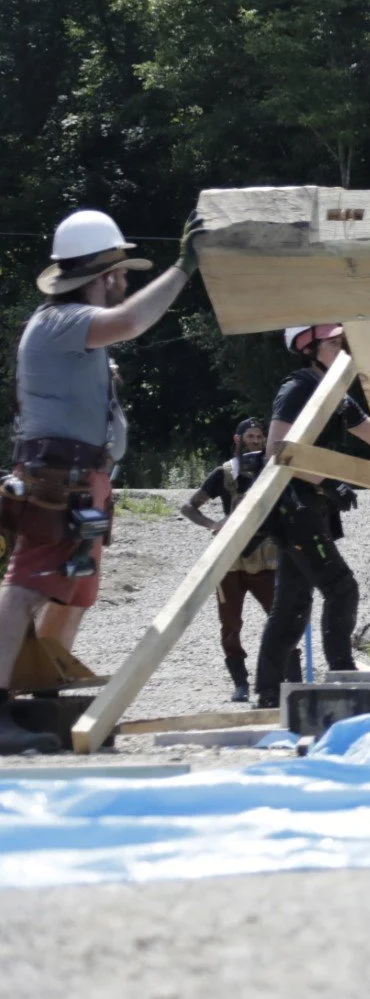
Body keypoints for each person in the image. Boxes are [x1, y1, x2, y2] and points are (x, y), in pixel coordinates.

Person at [0, 209, 199, 755]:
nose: (126, 282)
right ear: (103, 274)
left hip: (78, 480)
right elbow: (133, 321)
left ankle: (36, 700)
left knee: (71, 590)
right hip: (55, 478)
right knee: (25, 589)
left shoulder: (74, 328)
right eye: (121, 274)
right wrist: (185, 267)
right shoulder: (61, 322)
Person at [253, 324, 370, 707]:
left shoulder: (336, 392)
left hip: (311, 508)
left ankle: (268, 694)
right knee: (341, 587)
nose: (343, 347)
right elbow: (275, 449)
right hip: (293, 506)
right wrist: (326, 481)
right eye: (333, 342)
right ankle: (342, 673)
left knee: (293, 604)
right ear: (307, 348)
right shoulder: (299, 387)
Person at [180, 417, 279, 701]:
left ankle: (287, 677)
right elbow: (189, 507)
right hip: (230, 562)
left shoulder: (271, 471)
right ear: (238, 439)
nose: (256, 441)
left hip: (266, 558)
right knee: (230, 624)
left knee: (281, 618)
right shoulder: (224, 473)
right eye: (250, 436)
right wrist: (213, 524)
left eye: (259, 436)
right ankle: (241, 683)